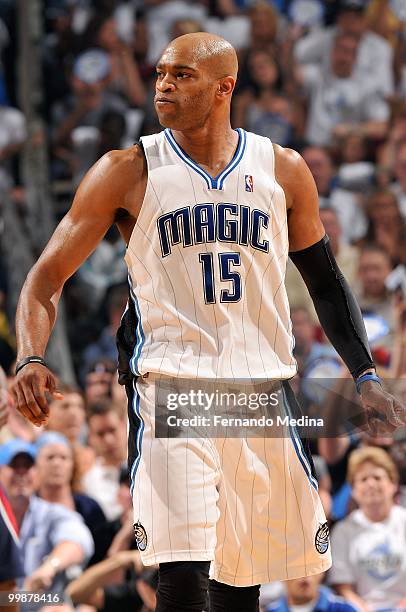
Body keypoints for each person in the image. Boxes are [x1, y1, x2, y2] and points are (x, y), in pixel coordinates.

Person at [11, 32, 405, 612]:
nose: (164, 85)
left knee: (241, 579)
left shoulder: (284, 170)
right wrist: (31, 355)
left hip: (259, 390)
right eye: (160, 73)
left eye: (182, 75)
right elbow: (45, 279)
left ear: (225, 87)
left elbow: (325, 282)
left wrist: (366, 373)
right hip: (172, 385)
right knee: (183, 565)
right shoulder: (128, 169)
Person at [0, 439, 94, 598]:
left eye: (28, 467)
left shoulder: (49, 513)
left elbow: (79, 540)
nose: (22, 473)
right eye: (14, 466)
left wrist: (50, 566)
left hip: (44, 604)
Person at [328, 446, 406, 610]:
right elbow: (344, 588)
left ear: (393, 484)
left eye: (377, 477)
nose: (371, 484)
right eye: (363, 479)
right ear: (354, 490)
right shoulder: (343, 531)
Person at [266, 572, 358, 612]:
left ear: (322, 573)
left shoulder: (344, 609)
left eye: (312, 568)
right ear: (281, 576)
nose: (304, 575)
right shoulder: (270, 611)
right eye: (296, 569)